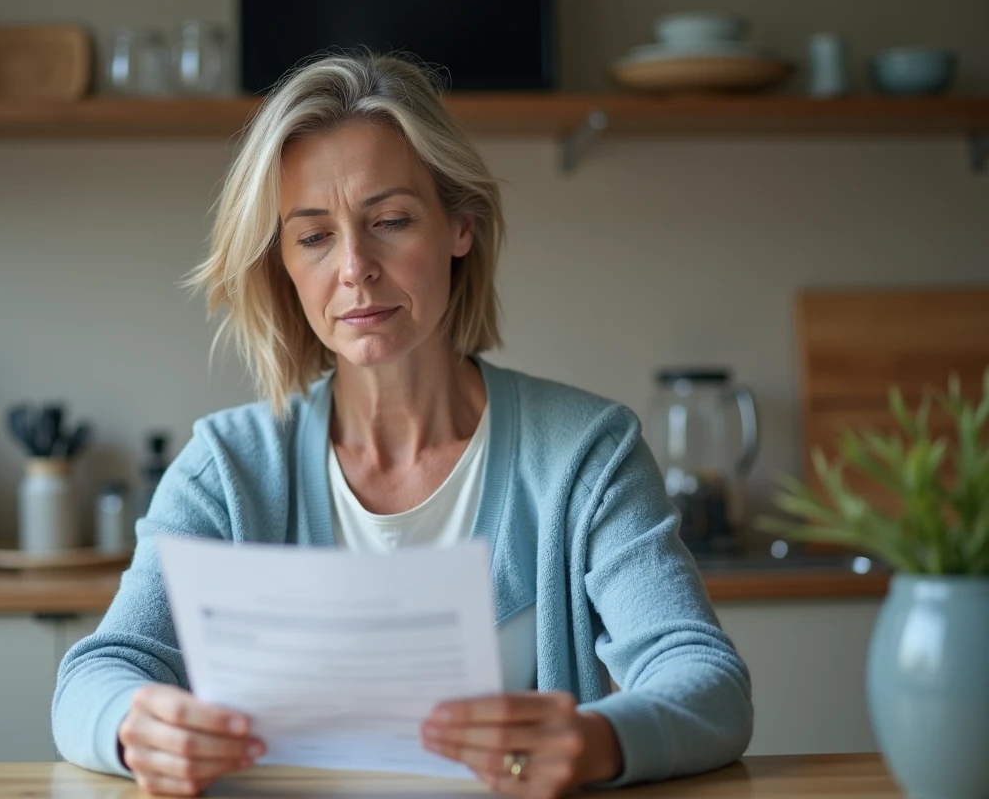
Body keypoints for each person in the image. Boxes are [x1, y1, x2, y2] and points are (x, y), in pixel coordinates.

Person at [52, 52, 753, 798]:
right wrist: (136, 726)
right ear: (282, 262)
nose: (355, 266)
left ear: (460, 227)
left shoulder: (586, 454)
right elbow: (94, 677)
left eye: (389, 221)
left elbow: (707, 682)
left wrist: (599, 740)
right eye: (314, 236)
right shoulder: (227, 465)